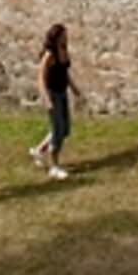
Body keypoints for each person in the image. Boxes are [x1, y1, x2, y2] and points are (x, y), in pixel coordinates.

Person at [29, 23, 81, 179]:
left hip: (62, 92)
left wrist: (73, 88)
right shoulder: (49, 55)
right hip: (52, 94)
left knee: (65, 129)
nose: (66, 38)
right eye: (63, 36)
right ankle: (54, 165)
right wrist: (46, 99)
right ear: (56, 37)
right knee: (57, 130)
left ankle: (39, 150)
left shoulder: (64, 51)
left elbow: (65, 72)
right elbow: (41, 79)